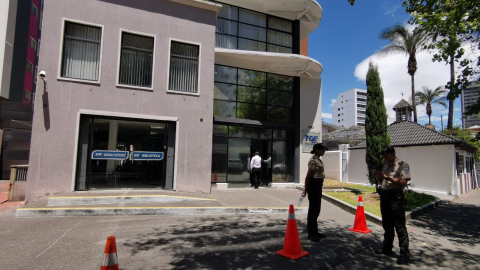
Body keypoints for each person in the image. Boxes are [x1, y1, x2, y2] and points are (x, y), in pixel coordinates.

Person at [372, 146, 411, 265]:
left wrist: (387, 177)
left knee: (399, 226)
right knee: (387, 225)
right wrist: (378, 177)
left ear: (393, 154)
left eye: (386, 155)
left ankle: (404, 254)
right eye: (383, 155)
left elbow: (403, 182)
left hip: (396, 198)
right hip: (385, 197)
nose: (384, 157)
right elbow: (382, 181)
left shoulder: (403, 165)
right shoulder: (385, 166)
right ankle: (387, 247)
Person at [302, 143, 328, 242]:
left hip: (318, 184)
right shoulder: (313, 161)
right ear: (317, 150)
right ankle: (311, 233)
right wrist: (305, 189)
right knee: (313, 209)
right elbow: (308, 176)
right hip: (314, 185)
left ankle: (315, 231)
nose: (324, 151)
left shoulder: (318, 160)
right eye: (322, 149)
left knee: (317, 209)